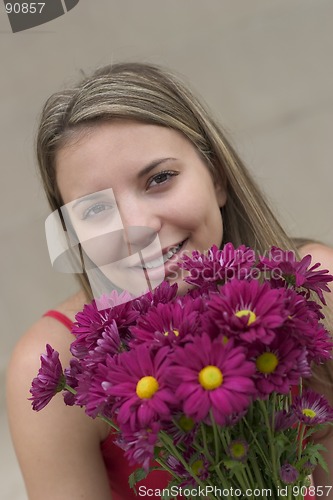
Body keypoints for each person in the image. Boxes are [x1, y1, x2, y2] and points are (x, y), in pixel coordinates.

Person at [6, 62, 333, 500]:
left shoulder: (309, 287)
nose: (136, 227)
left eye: (159, 179)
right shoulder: (58, 361)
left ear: (216, 177)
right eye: (95, 210)